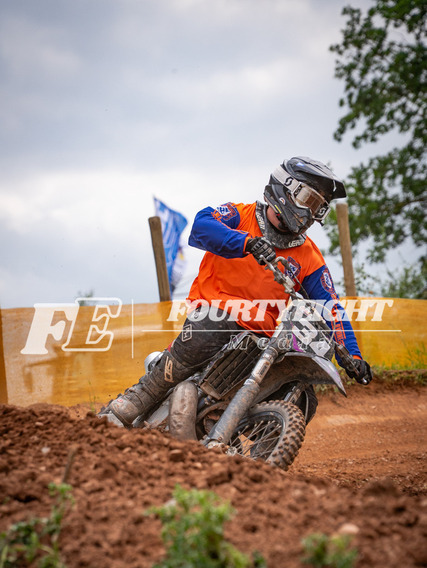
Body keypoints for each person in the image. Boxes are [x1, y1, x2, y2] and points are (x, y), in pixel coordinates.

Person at [100, 156, 372, 427]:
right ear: (286, 188)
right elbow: (202, 226)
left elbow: (331, 307)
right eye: (309, 200)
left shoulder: (309, 256)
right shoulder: (239, 215)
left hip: (264, 337)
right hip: (215, 311)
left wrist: (353, 355)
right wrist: (246, 243)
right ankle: (136, 400)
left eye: (319, 207)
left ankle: (252, 447)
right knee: (211, 328)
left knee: (303, 396)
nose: (312, 213)